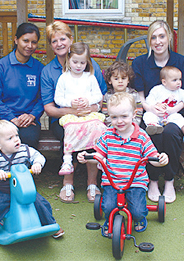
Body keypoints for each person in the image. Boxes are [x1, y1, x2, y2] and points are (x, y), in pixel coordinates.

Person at [77, 92, 168, 235]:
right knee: (108, 207)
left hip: (135, 181)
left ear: (134, 114)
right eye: (114, 117)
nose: (119, 121)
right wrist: (87, 157)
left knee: (137, 211)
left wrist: (161, 159)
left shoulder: (142, 136)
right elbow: (99, 155)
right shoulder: (107, 135)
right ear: (109, 117)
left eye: (124, 116)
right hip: (112, 181)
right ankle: (110, 220)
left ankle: (140, 218)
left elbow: (153, 157)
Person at [41, 21, 107, 203]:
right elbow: (49, 107)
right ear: (51, 45)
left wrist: (91, 107)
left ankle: (92, 183)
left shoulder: (90, 68)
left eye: (63, 39)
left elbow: (100, 97)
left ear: (71, 40)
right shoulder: (50, 72)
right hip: (63, 119)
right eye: (54, 41)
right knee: (68, 132)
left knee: (95, 132)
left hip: (89, 116)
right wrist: (73, 110)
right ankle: (67, 181)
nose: (59, 44)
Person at [132, 20, 184, 204]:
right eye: (153, 37)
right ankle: (152, 179)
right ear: (149, 41)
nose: (158, 41)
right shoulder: (140, 63)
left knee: (169, 133)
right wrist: (151, 108)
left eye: (162, 36)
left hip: (174, 114)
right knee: (151, 132)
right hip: (150, 113)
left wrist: (170, 110)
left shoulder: (181, 62)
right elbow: (140, 97)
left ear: (169, 37)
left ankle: (169, 180)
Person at [0, 120, 64, 250]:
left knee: (41, 203)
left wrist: (37, 164)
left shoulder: (25, 150)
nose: (16, 140)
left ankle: (49, 224)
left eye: (17, 136)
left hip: (24, 188)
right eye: (10, 138)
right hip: (4, 189)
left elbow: (39, 157)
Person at [0, 22, 44, 149]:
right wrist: (12, 118)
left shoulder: (39, 68)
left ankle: (25, 169)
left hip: (29, 121)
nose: (30, 46)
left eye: (34, 42)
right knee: (6, 139)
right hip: (4, 119)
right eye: (25, 41)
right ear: (16, 40)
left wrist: (32, 115)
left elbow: (43, 98)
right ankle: (4, 169)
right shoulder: (1, 67)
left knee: (29, 138)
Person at [54, 42, 107, 175]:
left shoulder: (90, 77)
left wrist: (88, 101)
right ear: (68, 60)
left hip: (88, 114)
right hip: (71, 115)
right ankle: (67, 159)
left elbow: (98, 95)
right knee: (70, 128)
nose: (78, 66)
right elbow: (58, 99)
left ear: (87, 62)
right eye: (75, 62)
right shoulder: (64, 78)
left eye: (82, 63)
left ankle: (99, 155)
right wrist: (70, 102)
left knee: (99, 126)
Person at [143, 66, 184, 143]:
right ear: (164, 82)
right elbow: (149, 99)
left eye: (179, 79)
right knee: (148, 115)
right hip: (158, 114)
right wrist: (156, 105)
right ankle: (154, 126)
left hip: (171, 116)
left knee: (179, 118)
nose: (178, 82)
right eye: (174, 80)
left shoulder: (181, 92)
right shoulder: (157, 89)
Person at [102, 60, 143, 126]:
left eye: (123, 78)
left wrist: (134, 124)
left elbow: (139, 111)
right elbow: (106, 113)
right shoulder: (108, 95)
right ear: (110, 80)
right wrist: (111, 125)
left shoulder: (134, 94)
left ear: (128, 80)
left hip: (131, 126)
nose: (120, 81)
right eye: (116, 79)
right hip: (113, 126)